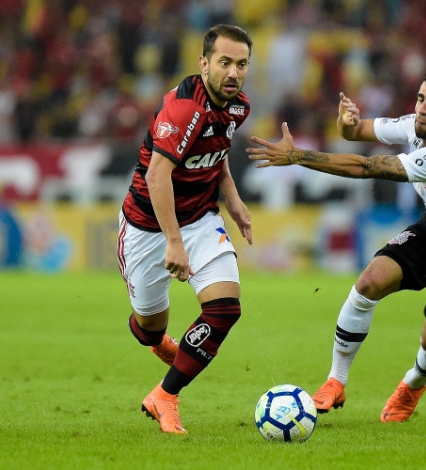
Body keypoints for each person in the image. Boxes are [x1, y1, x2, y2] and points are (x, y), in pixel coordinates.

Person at [247, 69, 426, 423]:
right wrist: (347, 122)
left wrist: (299, 156)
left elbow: (367, 167)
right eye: (421, 98)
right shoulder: (415, 127)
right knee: (369, 282)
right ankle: (335, 381)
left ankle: (415, 382)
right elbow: (356, 133)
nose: (423, 108)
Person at [117, 24, 253, 434]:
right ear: (204, 62)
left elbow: (216, 151)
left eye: (242, 64)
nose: (233, 73)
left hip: (199, 218)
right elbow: (159, 175)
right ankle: (156, 339)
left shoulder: (237, 105)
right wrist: (173, 243)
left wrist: (231, 196)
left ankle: (164, 395)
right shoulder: (184, 109)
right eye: (225, 62)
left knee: (225, 309)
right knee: (149, 328)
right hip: (147, 225)